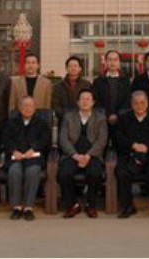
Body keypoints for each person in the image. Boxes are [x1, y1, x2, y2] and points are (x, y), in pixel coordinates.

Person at [114, 91, 149, 220]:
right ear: (132, 104)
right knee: (121, 172)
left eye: (142, 103)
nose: (139, 106)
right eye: (136, 103)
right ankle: (128, 207)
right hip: (130, 154)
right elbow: (118, 138)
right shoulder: (124, 119)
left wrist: (147, 147)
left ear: (147, 104)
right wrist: (133, 145)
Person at [58, 89, 108, 218]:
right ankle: (73, 204)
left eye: (88, 99)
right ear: (77, 102)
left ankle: (90, 205)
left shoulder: (100, 118)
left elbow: (102, 140)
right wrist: (75, 155)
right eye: (82, 99)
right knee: (64, 174)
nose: (85, 102)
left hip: (92, 153)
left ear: (93, 102)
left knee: (95, 173)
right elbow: (63, 139)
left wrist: (88, 155)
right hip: (72, 153)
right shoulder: (68, 117)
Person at [2, 96, 51, 221]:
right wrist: (14, 150)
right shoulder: (11, 122)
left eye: (30, 106)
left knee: (33, 171)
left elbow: (45, 140)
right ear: (19, 108)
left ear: (35, 108)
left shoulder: (42, 123)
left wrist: (34, 149)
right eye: (24, 105)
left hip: (34, 157)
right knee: (14, 171)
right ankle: (17, 207)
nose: (27, 108)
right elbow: (6, 139)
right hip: (16, 157)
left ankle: (28, 207)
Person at [93, 50, 131, 127]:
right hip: (102, 118)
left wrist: (117, 115)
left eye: (115, 60)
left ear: (119, 62)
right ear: (106, 62)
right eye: (110, 60)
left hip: (122, 118)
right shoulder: (98, 81)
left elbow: (128, 99)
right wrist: (107, 115)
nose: (112, 62)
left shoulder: (126, 80)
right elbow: (95, 99)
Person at [52, 56, 92, 120]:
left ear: (80, 68)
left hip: (82, 120)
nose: (73, 68)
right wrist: (67, 116)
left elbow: (90, 103)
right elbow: (55, 106)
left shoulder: (87, 85)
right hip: (64, 121)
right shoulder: (57, 86)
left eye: (75, 66)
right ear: (66, 68)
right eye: (70, 66)